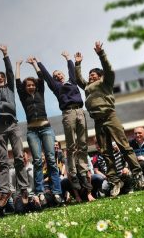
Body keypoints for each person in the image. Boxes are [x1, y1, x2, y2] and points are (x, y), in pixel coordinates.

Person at [74, 41, 144, 193]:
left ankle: (138, 175)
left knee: (124, 146)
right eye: (89, 75)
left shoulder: (105, 82)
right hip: (98, 121)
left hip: (110, 116)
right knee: (106, 152)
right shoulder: (87, 87)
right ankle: (115, 182)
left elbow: (108, 69)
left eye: (93, 75)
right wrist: (77, 64)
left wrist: (101, 54)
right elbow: (78, 79)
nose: (90, 77)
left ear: (100, 76)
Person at [36, 52, 92, 194]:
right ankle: (73, 174)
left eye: (59, 74)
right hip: (68, 113)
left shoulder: (72, 82)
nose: (58, 76)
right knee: (72, 145)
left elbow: (72, 73)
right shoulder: (56, 87)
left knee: (83, 143)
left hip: (80, 111)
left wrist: (69, 59)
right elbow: (47, 77)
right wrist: (38, 63)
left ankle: (84, 174)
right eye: (56, 76)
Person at [0, 44, 29, 211]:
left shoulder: (10, 89)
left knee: (18, 157)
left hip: (13, 125)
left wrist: (5, 55)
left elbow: (10, 72)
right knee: (3, 161)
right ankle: (5, 191)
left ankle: (23, 189)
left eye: (1, 78)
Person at [15, 57, 62, 206]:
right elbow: (17, 83)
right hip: (32, 131)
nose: (30, 87)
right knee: (37, 161)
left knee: (51, 159)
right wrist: (17, 66)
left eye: (32, 85)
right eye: (28, 85)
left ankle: (56, 192)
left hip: (46, 128)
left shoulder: (40, 92)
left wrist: (34, 63)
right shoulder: (23, 97)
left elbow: (41, 78)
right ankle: (40, 192)